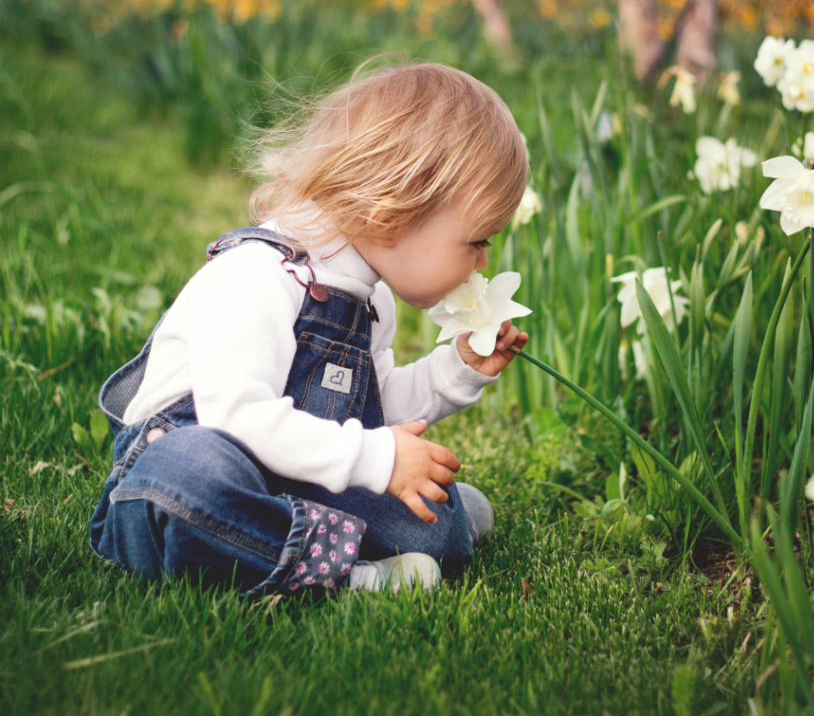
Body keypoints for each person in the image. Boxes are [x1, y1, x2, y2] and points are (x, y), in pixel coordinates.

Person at [89, 61, 530, 596]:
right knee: (191, 476)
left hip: (291, 472)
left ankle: (414, 526)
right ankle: (346, 575)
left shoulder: (370, 300)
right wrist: (376, 458)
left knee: (435, 524)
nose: (482, 262)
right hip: (186, 475)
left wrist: (455, 371)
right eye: (477, 241)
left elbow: (371, 409)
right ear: (391, 214)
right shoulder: (258, 275)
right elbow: (236, 418)